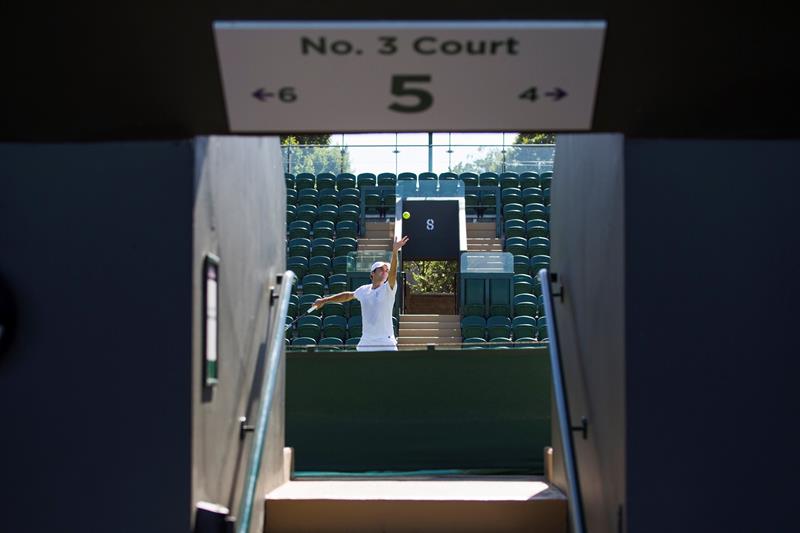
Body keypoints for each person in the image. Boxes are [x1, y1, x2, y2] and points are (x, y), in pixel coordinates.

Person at [314, 235, 409, 351]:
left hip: (386, 342)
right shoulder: (363, 290)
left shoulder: (388, 288)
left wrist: (394, 252)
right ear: (372, 274)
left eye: (386, 270)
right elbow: (347, 295)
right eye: (381, 269)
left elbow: (393, 273)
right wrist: (324, 300)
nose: (385, 272)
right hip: (366, 343)